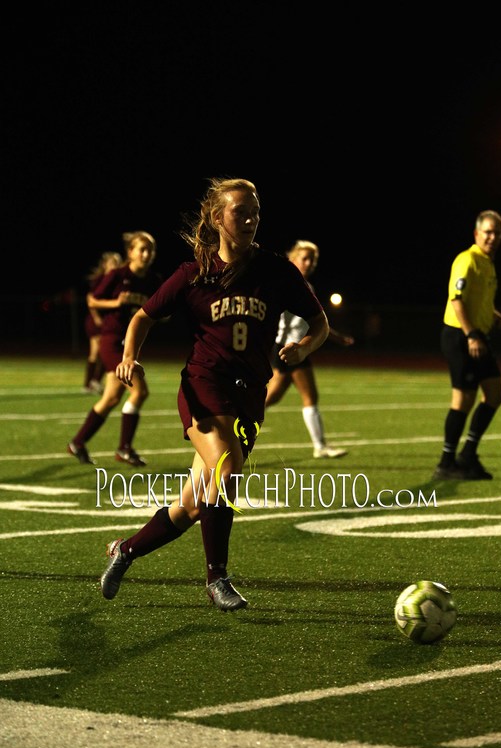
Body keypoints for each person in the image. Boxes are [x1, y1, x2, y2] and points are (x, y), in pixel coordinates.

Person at [99, 178, 329, 611]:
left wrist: (304, 346)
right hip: (204, 385)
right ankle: (216, 578)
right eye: (240, 211)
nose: (250, 219)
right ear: (217, 217)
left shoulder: (277, 270)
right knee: (228, 467)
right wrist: (128, 356)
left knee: (190, 505)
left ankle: (125, 550)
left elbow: (320, 323)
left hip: (249, 395)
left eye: (255, 212)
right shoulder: (194, 273)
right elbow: (143, 318)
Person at [433, 210, 501, 481]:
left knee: (495, 394)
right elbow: (456, 300)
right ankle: (446, 463)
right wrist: (471, 335)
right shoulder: (467, 260)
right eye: (488, 232)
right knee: (464, 398)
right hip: (460, 336)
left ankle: (468, 454)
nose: (492, 237)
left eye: (497, 233)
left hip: (478, 335)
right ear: (476, 233)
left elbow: (481, 302)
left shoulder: (487, 263)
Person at [68, 231, 162, 467]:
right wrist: (117, 302)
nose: (146, 254)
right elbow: (92, 300)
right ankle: (124, 448)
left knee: (110, 398)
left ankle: (78, 442)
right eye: (141, 249)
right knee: (139, 392)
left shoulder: (152, 280)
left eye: (150, 250)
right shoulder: (117, 275)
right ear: (130, 252)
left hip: (130, 343)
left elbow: (162, 312)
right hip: (112, 341)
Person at [265, 240, 354, 458]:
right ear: (293, 257)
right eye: (304, 258)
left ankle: (240, 419)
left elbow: (314, 322)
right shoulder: (287, 283)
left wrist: (336, 337)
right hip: (291, 348)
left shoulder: (304, 285)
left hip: (295, 347)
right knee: (309, 396)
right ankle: (320, 446)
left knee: (271, 397)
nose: (308, 263)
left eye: (312, 259)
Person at [82, 251, 122, 394]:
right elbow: (90, 299)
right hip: (96, 322)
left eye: (117, 262)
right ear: (105, 265)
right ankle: (89, 383)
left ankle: (94, 382)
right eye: (112, 263)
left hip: (107, 322)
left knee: (104, 353)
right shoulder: (101, 279)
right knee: (96, 353)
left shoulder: (117, 280)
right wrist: (97, 317)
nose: (115, 266)